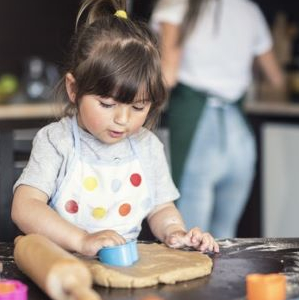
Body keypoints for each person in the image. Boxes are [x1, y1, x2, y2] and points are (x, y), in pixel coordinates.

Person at [11, 0, 219, 257]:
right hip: (61, 265)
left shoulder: (147, 146)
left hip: (125, 270)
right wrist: (82, 240)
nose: (123, 119)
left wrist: (175, 232)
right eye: (107, 104)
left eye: (139, 107)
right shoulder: (57, 141)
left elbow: (161, 209)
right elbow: (25, 207)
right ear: (74, 89)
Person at [151, 0, 284, 238]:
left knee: (189, 240)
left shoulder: (175, 3)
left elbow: (167, 76)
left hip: (197, 133)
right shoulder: (249, 10)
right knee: (225, 239)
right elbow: (277, 79)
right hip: (239, 135)